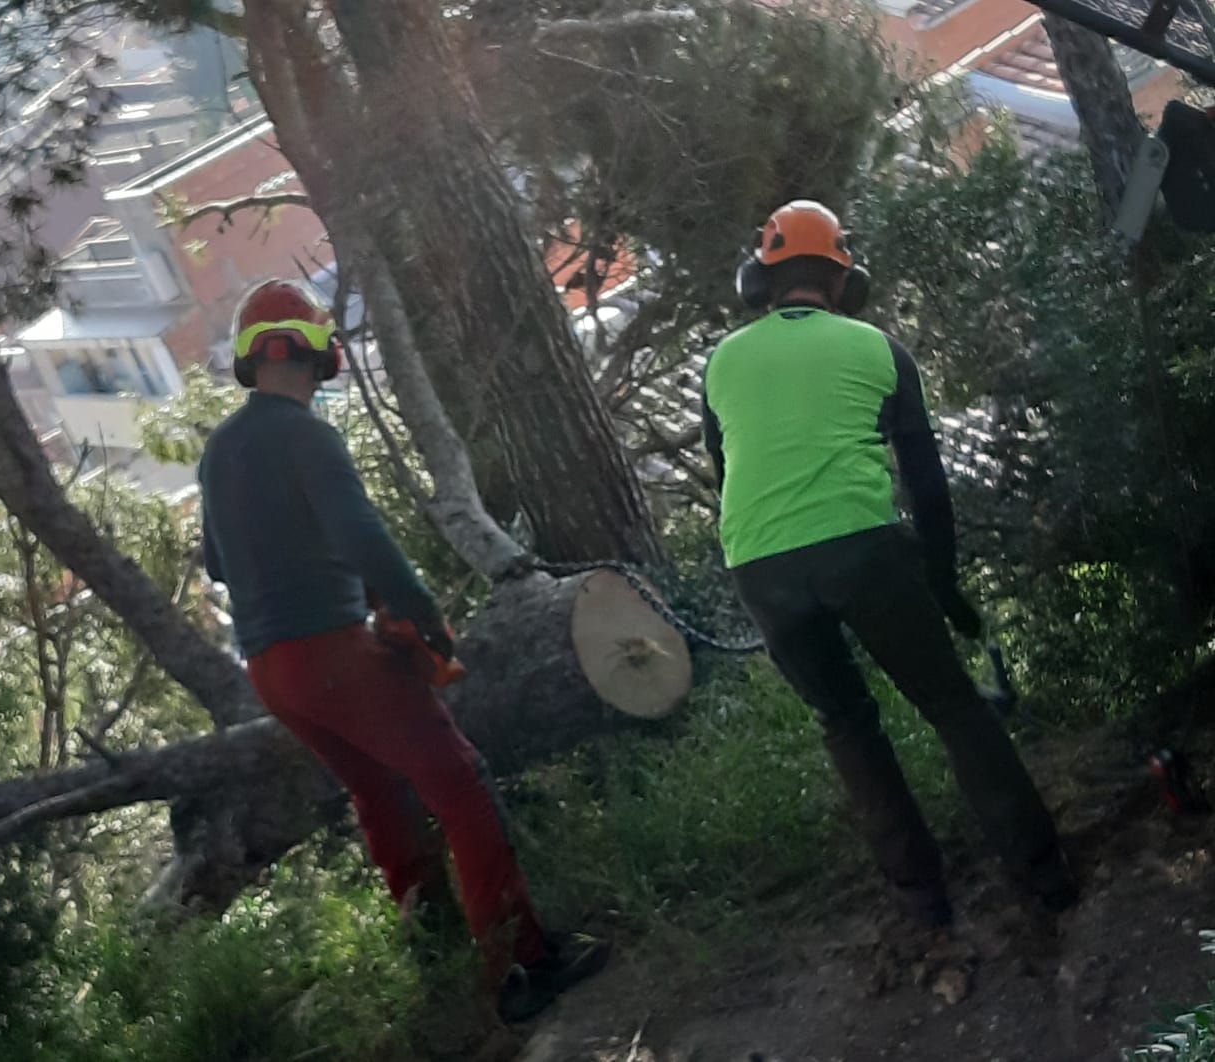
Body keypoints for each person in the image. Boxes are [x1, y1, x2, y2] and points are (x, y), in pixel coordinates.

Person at [197, 278, 608, 1021]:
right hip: (330, 651)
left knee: (377, 792)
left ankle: (434, 946)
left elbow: (219, 565)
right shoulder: (307, 436)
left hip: (269, 670)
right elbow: (361, 536)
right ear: (312, 352)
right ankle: (520, 964)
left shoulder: (220, 451)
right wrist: (420, 614)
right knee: (461, 781)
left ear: (251, 358)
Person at [702, 201, 1078, 929]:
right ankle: (1045, 879)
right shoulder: (878, 349)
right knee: (952, 707)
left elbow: (727, 472)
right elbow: (926, 485)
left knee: (846, 726)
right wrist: (943, 583)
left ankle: (922, 901)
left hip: (759, 564)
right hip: (862, 549)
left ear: (761, 280)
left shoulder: (720, 362)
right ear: (845, 279)